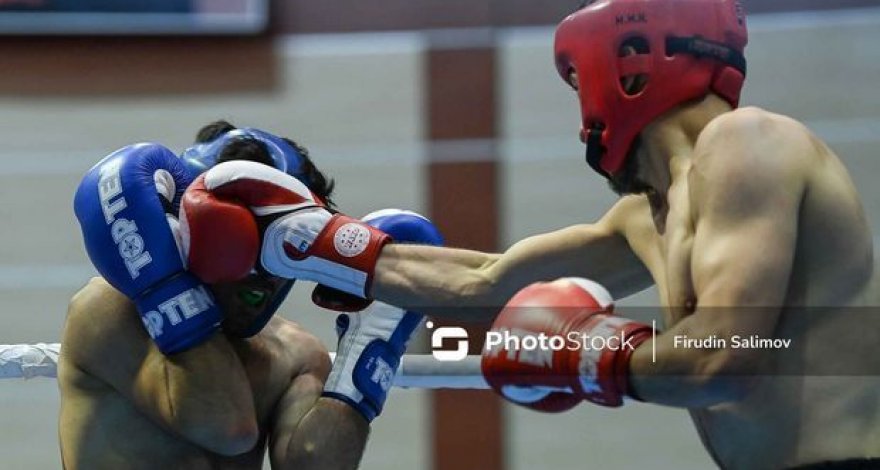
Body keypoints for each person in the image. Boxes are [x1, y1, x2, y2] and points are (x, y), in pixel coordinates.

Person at [177, 0, 878, 468]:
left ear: (629, 65)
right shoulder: (647, 214)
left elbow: (728, 357)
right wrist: (303, 240)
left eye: (579, 83)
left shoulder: (751, 142)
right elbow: (481, 282)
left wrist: (595, 356)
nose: (582, 109)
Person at [59, 120, 443, 469]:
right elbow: (226, 426)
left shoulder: (295, 352)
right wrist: (169, 289)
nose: (259, 274)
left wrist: (365, 357)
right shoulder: (108, 310)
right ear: (195, 228)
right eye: (242, 241)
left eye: (282, 245)